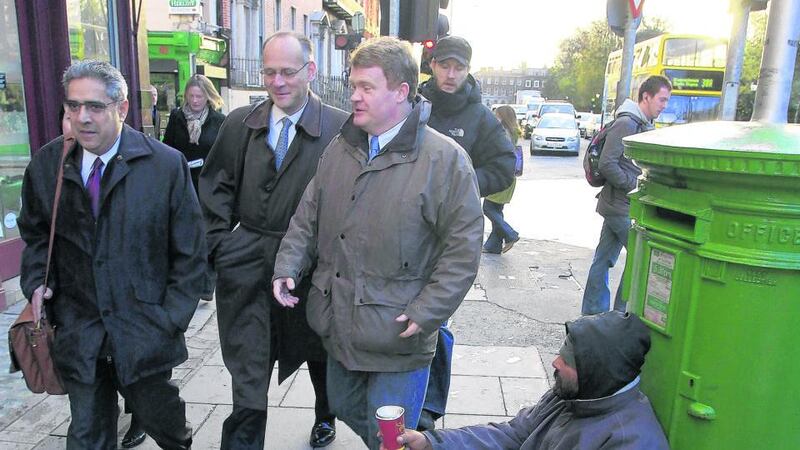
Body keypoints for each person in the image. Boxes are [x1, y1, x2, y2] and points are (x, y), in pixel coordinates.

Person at [271, 36, 483, 450]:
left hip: (399, 335)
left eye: (367, 87)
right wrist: (287, 266)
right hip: (339, 327)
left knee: (392, 441)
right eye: (353, 86)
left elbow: (463, 249)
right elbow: (308, 215)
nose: (354, 97)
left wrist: (429, 311)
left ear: (401, 92)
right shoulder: (342, 148)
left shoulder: (445, 160)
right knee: (348, 407)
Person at [18, 60, 206, 449]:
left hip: (144, 329)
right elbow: (36, 234)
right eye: (73, 107)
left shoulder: (164, 165)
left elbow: (190, 251)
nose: (82, 118)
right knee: (88, 433)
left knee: (165, 425)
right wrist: (37, 284)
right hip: (79, 327)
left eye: (95, 107)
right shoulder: (47, 166)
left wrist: (170, 318)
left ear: (121, 109)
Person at [198, 32, 348, 449]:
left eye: (287, 72)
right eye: (269, 72)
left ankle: (325, 413)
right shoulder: (239, 123)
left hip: (313, 269)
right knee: (249, 372)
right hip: (247, 268)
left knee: (319, 354)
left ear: (311, 71)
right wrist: (222, 247)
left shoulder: (341, 128)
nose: (277, 81)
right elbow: (215, 189)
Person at [383, 311, 669, 450]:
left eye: (568, 361)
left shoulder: (631, 440)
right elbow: (513, 433)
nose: (555, 362)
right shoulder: (572, 395)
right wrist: (431, 442)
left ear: (599, 370)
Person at [416, 34, 516, 430]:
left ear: (468, 70)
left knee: (436, 319)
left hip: (450, 236)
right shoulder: (414, 104)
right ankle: (399, 396)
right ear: (433, 65)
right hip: (405, 229)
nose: (451, 74)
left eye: (459, 67)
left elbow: (506, 164)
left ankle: (427, 412)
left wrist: (465, 180)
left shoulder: (480, 117)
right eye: (444, 65)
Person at [581, 75, 672, 315]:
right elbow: (608, 163)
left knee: (603, 259)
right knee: (639, 258)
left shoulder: (640, 123)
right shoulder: (628, 124)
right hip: (621, 206)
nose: (664, 105)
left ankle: (595, 313)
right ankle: (621, 314)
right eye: (661, 100)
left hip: (616, 205)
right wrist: (636, 185)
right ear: (646, 97)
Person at [163, 74, 226, 193]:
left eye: (199, 96)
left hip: (208, 184)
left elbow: (224, 155)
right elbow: (167, 148)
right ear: (186, 95)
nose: (194, 100)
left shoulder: (219, 120)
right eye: (191, 96)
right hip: (181, 182)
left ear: (208, 96)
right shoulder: (176, 117)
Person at [482, 105, 521, 254]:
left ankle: (510, 234)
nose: (494, 117)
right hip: (509, 176)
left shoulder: (502, 133)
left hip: (501, 176)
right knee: (496, 209)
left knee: (488, 208)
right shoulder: (513, 132)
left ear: (502, 117)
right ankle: (493, 245)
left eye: (496, 115)